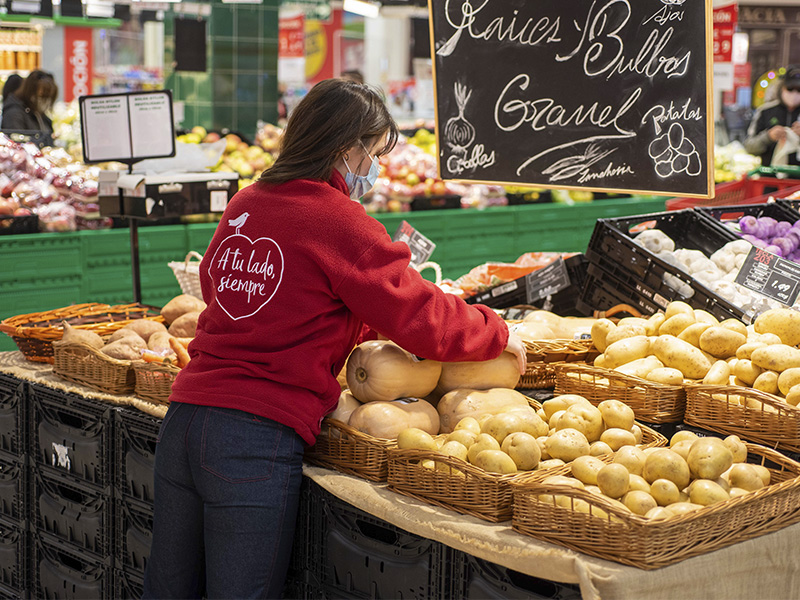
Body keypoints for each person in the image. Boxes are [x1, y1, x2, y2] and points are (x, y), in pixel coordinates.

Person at [142, 78, 526, 600]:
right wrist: (496, 332)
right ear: (347, 147)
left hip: (185, 420)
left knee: (169, 592)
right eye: (373, 152)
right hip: (254, 437)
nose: (374, 167)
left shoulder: (247, 202)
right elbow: (421, 314)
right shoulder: (340, 221)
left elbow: (217, 286)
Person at [744, 67, 800, 167]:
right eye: (790, 89)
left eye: (799, 90)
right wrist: (768, 137)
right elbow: (749, 146)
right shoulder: (765, 111)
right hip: (769, 178)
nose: (794, 94)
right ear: (782, 87)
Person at [0, 70, 57, 134]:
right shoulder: (14, 114)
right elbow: (16, 140)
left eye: (48, 97)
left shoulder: (39, 114)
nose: (45, 100)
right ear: (30, 92)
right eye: (42, 96)